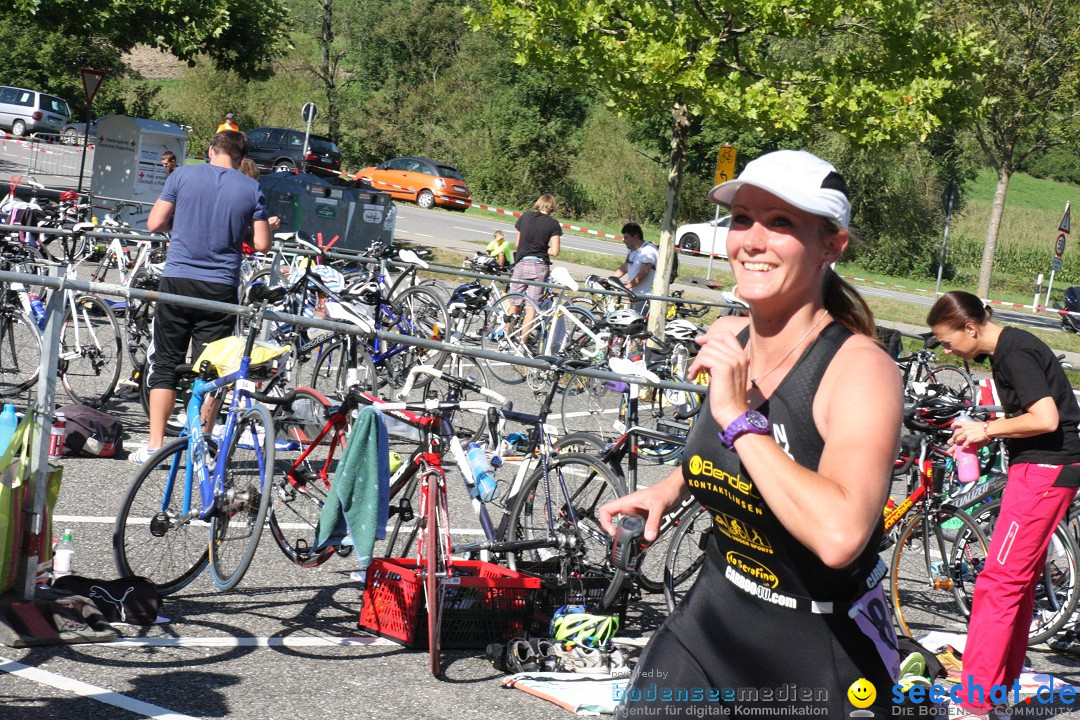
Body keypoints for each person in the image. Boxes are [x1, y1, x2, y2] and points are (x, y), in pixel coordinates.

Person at [599, 150, 902, 718]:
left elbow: (840, 537)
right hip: (711, 619)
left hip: (815, 653)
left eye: (781, 223)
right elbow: (713, 449)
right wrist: (669, 489)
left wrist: (742, 418)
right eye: (742, 218)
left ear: (832, 246)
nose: (752, 241)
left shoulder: (861, 370)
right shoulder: (730, 335)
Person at [928, 291, 1080, 719]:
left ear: (970, 328)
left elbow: (1046, 418)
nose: (947, 349)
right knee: (1018, 580)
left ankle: (974, 703)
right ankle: (997, 693)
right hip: (1048, 470)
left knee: (997, 584)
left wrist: (988, 430)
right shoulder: (1009, 348)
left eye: (947, 340)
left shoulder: (1013, 352)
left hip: (1044, 473)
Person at [134, 130, 271, 464]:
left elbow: (154, 223)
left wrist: (180, 228)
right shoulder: (251, 187)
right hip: (221, 286)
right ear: (241, 159)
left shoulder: (182, 174)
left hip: (178, 280)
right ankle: (202, 445)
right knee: (211, 368)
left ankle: (155, 445)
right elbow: (262, 245)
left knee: (165, 362)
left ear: (211, 150)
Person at [503, 194, 561, 343]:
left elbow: (518, 243)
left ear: (539, 203)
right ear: (552, 207)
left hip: (521, 264)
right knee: (531, 307)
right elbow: (554, 251)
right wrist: (542, 248)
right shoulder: (553, 224)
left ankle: (506, 337)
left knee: (515, 302)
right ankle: (523, 342)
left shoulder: (525, 217)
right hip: (539, 267)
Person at [610, 221, 658, 312]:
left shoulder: (648, 250)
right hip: (634, 295)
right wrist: (610, 280)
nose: (623, 240)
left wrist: (627, 287)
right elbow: (624, 267)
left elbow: (644, 273)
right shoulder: (632, 250)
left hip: (645, 297)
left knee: (639, 325)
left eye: (626, 238)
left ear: (635, 237)